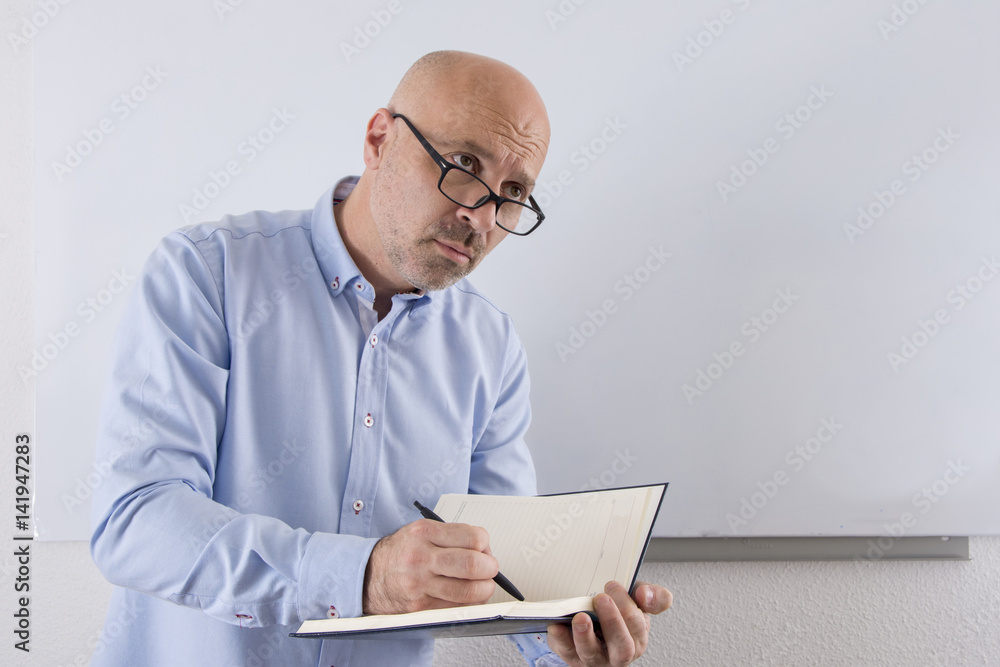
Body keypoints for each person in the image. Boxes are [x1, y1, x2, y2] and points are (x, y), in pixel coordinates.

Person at [89, 50, 672, 666]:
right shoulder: (207, 274)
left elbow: (508, 573)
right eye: (464, 164)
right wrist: (362, 576)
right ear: (379, 140)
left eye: (513, 191)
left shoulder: (491, 346)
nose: (480, 216)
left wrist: (568, 637)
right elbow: (136, 521)